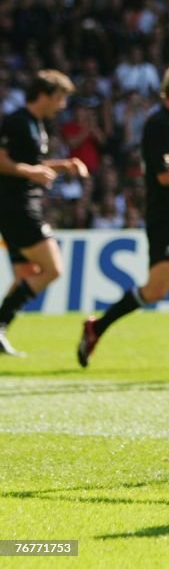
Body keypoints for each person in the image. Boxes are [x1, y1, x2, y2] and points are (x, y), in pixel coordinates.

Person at [77, 62, 169, 367]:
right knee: (156, 289)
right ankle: (97, 327)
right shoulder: (159, 124)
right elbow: (164, 175)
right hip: (167, 217)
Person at [0, 70, 85, 356]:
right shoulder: (16, 121)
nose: (62, 106)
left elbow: (30, 162)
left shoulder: (36, 124)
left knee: (27, 274)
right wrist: (30, 171)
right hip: (16, 206)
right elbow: (3, 160)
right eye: (60, 98)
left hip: (25, 203)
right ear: (45, 95)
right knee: (53, 269)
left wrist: (62, 165)